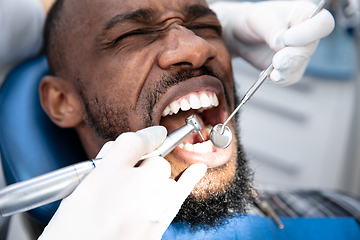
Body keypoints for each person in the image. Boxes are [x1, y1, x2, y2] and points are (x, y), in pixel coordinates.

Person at [0, 0, 342, 239]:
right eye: (131, 34)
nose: (197, 48)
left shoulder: (339, 213)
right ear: (62, 103)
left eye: (205, 26)